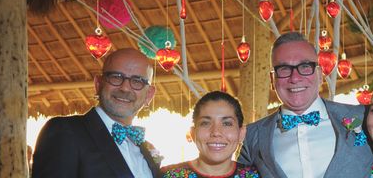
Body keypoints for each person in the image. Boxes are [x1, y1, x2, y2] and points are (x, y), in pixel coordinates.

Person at [238, 32, 373, 177]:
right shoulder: (252, 135)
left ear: (320, 75)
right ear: (273, 79)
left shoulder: (363, 117)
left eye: (305, 66)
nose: (295, 78)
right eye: (284, 69)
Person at [32, 48, 162, 178]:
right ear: (98, 84)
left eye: (137, 81)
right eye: (116, 77)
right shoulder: (65, 131)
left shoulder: (144, 149)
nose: (125, 88)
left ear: (149, 95)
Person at [161, 91, 259, 177]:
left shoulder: (254, 176)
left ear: (241, 133)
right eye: (205, 123)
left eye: (227, 123)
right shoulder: (167, 175)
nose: (216, 132)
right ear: (193, 133)